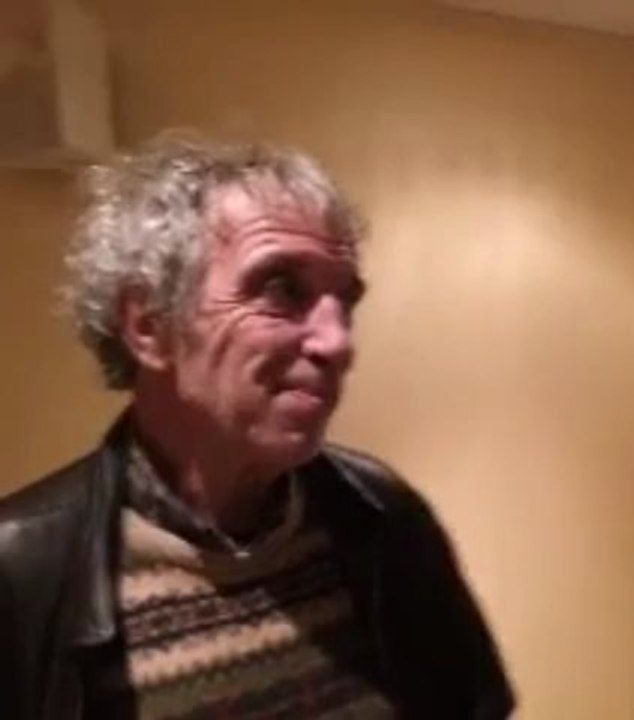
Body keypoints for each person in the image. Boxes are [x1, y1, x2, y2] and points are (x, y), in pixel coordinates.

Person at [0, 136, 514, 719]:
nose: (338, 342)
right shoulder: (23, 572)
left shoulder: (382, 519)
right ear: (149, 326)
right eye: (281, 290)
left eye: (345, 302)